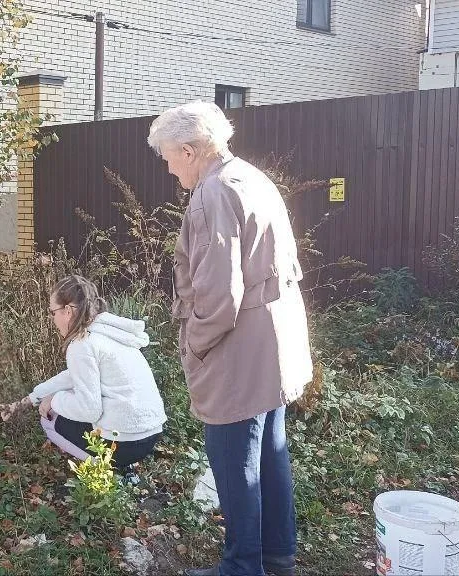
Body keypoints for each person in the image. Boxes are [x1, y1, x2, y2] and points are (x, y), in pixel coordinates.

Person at [148, 101, 313, 576]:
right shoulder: (252, 177)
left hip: (241, 345)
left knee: (234, 459)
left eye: (168, 156)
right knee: (270, 451)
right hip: (276, 338)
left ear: (189, 149)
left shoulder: (213, 193)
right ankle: (276, 556)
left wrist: (193, 345)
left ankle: (244, 567)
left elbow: (219, 296)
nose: (167, 165)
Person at [0, 275, 166, 478]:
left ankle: (108, 472)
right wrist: (26, 401)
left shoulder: (82, 344)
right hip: (149, 435)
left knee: (50, 420)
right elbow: (70, 378)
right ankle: (125, 469)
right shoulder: (107, 335)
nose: (52, 319)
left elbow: (89, 410)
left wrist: (55, 400)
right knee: (68, 395)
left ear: (67, 311)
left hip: (124, 443)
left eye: (52, 312)